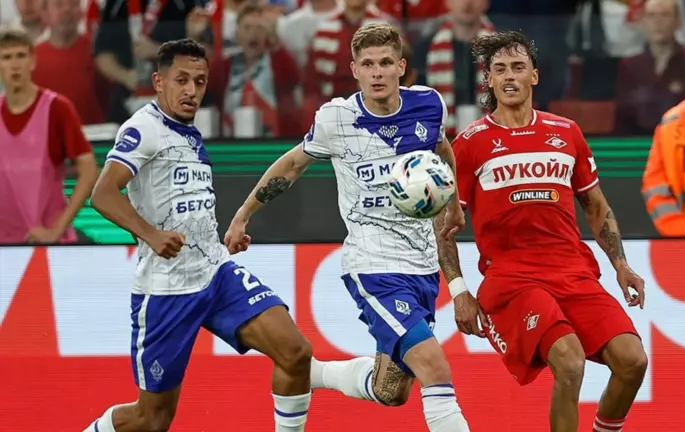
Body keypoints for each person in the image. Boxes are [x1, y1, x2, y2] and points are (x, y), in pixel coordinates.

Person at [226, 22, 479, 432]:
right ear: (354, 70)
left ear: (401, 67)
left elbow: (441, 148)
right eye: (368, 64)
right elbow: (293, 164)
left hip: (421, 266)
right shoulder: (337, 119)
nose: (377, 72)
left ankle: (311, 373)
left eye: (385, 63)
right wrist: (243, 213)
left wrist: (451, 203)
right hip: (373, 265)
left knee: (391, 389)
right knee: (435, 367)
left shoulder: (429, 105)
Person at [83, 39, 313, 432]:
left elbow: (186, 202)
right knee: (152, 419)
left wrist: (220, 237)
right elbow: (102, 195)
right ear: (158, 82)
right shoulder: (144, 128)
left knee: (296, 353)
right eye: (182, 80)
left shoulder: (189, 133)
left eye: (200, 81)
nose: (191, 90)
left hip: (215, 273)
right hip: (167, 289)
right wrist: (151, 235)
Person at [447, 30, 649, 432]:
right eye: (499, 69)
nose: (509, 76)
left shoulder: (566, 132)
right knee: (570, 363)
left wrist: (621, 264)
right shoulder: (469, 143)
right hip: (513, 280)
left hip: (572, 272)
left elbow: (596, 206)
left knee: (633, 361)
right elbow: (443, 227)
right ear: (489, 80)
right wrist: (458, 291)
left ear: (534, 76)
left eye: (518, 67)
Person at [0, 26, 98, 245]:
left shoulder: (56, 108)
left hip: (49, 247)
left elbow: (89, 170)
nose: (15, 64)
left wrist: (57, 229)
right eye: (6, 57)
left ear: (32, 61)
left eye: (20, 55)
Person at [641, 51, 685, 236]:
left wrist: (684, 235)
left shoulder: (671, 122)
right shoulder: (671, 123)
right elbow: (655, 187)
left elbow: (655, 188)